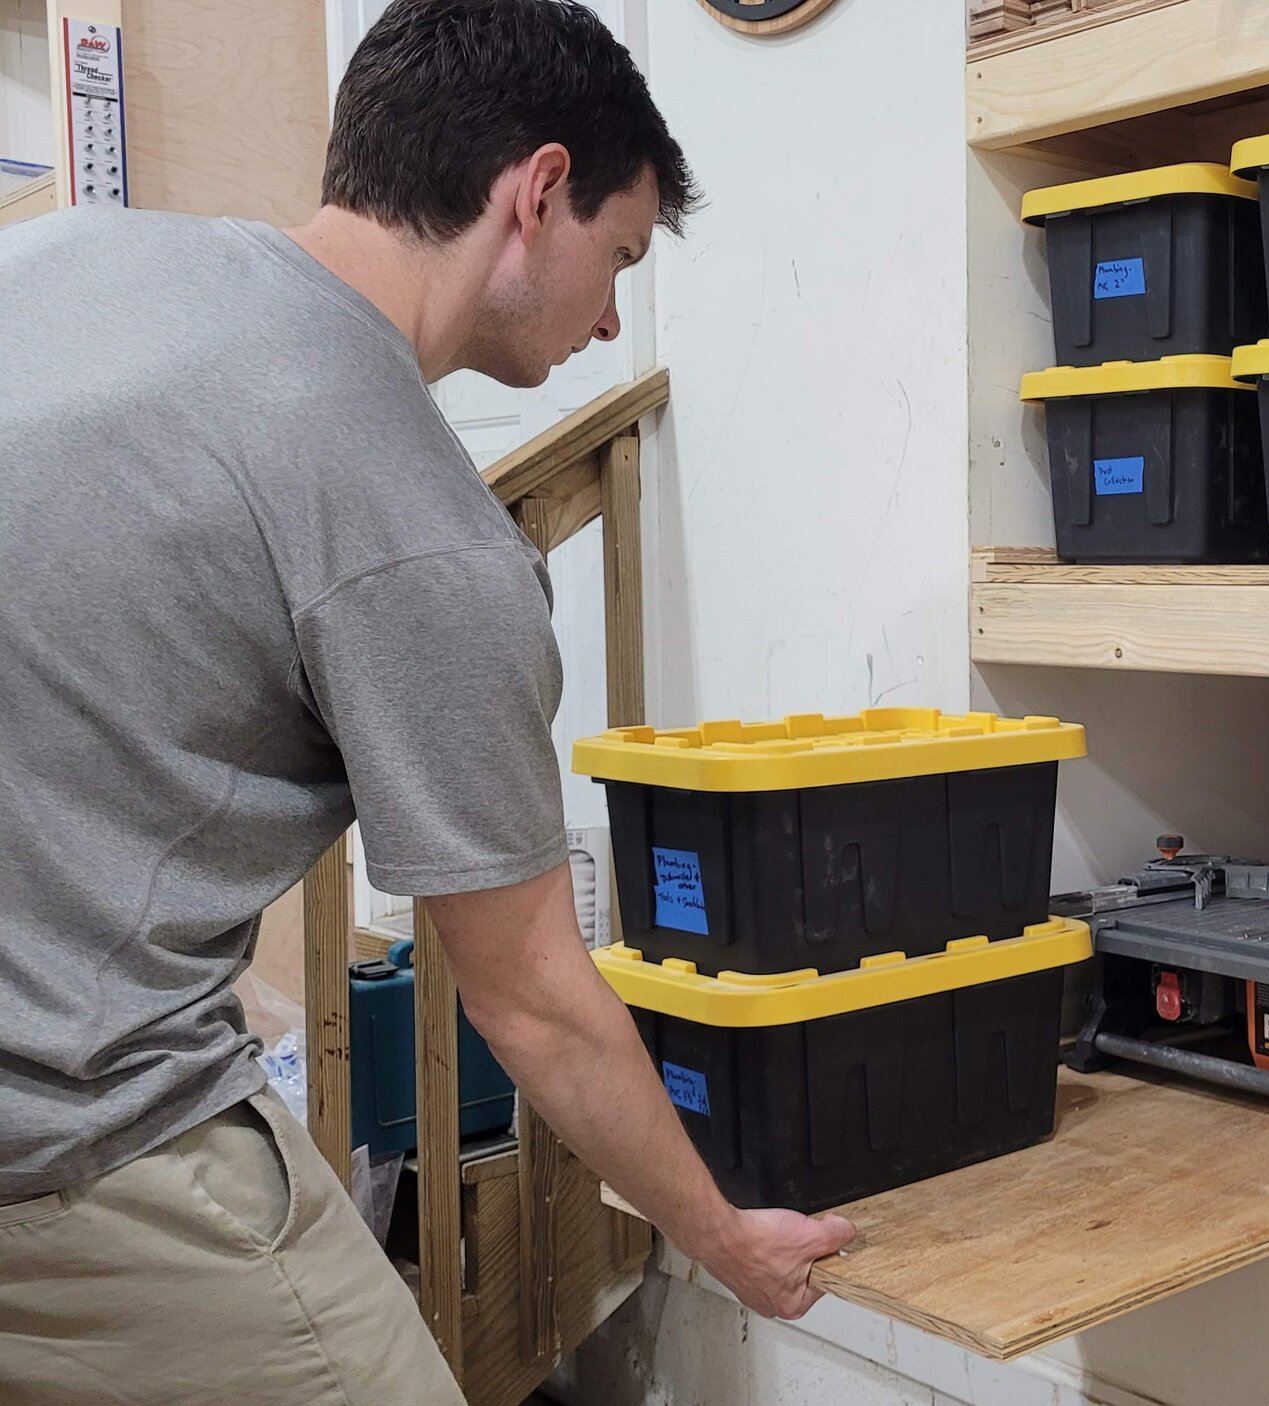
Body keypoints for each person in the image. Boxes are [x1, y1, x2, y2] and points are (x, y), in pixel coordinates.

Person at [0, 2, 854, 1400]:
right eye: (618, 255)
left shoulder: (80, 255)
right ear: (537, 192)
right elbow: (531, 997)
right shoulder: (419, 530)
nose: (612, 315)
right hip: (62, 1134)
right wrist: (721, 1232)